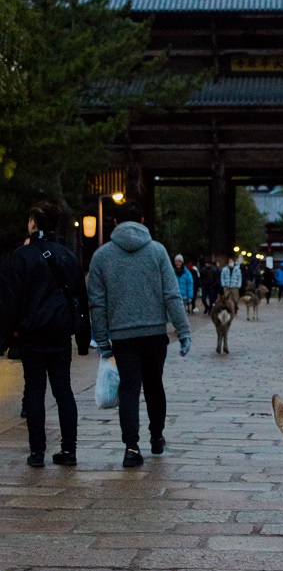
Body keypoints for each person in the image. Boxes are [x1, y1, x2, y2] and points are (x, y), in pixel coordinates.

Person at [88, 201, 191, 468]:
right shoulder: (157, 251)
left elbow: (97, 302)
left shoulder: (102, 256)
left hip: (122, 336)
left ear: (114, 223)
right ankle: (156, 437)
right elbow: (171, 293)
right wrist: (183, 331)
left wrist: (101, 339)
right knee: (154, 386)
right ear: (143, 221)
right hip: (155, 333)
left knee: (130, 389)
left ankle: (131, 448)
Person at [0, 201, 91, 467]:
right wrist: (84, 338)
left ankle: (37, 451)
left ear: (34, 223)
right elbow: (79, 298)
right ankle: (69, 450)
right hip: (60, 334)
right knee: (64, 390)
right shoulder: (66, 255)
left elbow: (10, 300)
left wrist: (5, 337)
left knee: (35, 392)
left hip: (32, 333)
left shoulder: (21, 256)